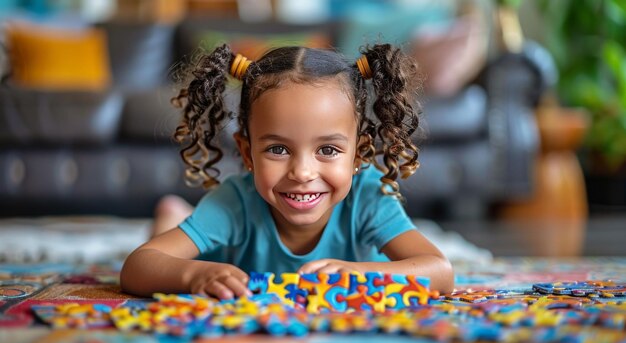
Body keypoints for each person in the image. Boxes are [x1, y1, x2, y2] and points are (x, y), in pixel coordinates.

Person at [120, 43, 454, 299]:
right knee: (170, 234)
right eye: (278, 149)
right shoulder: (235, 202)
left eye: (328, 150)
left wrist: (359, 274)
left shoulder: (368, 197)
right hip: (219, 250)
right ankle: (172, 215)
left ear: (358, 154)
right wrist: (194, 276)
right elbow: (138, 266)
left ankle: (178, 213)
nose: (302, 172)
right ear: (247, 153)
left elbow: (440, 271)